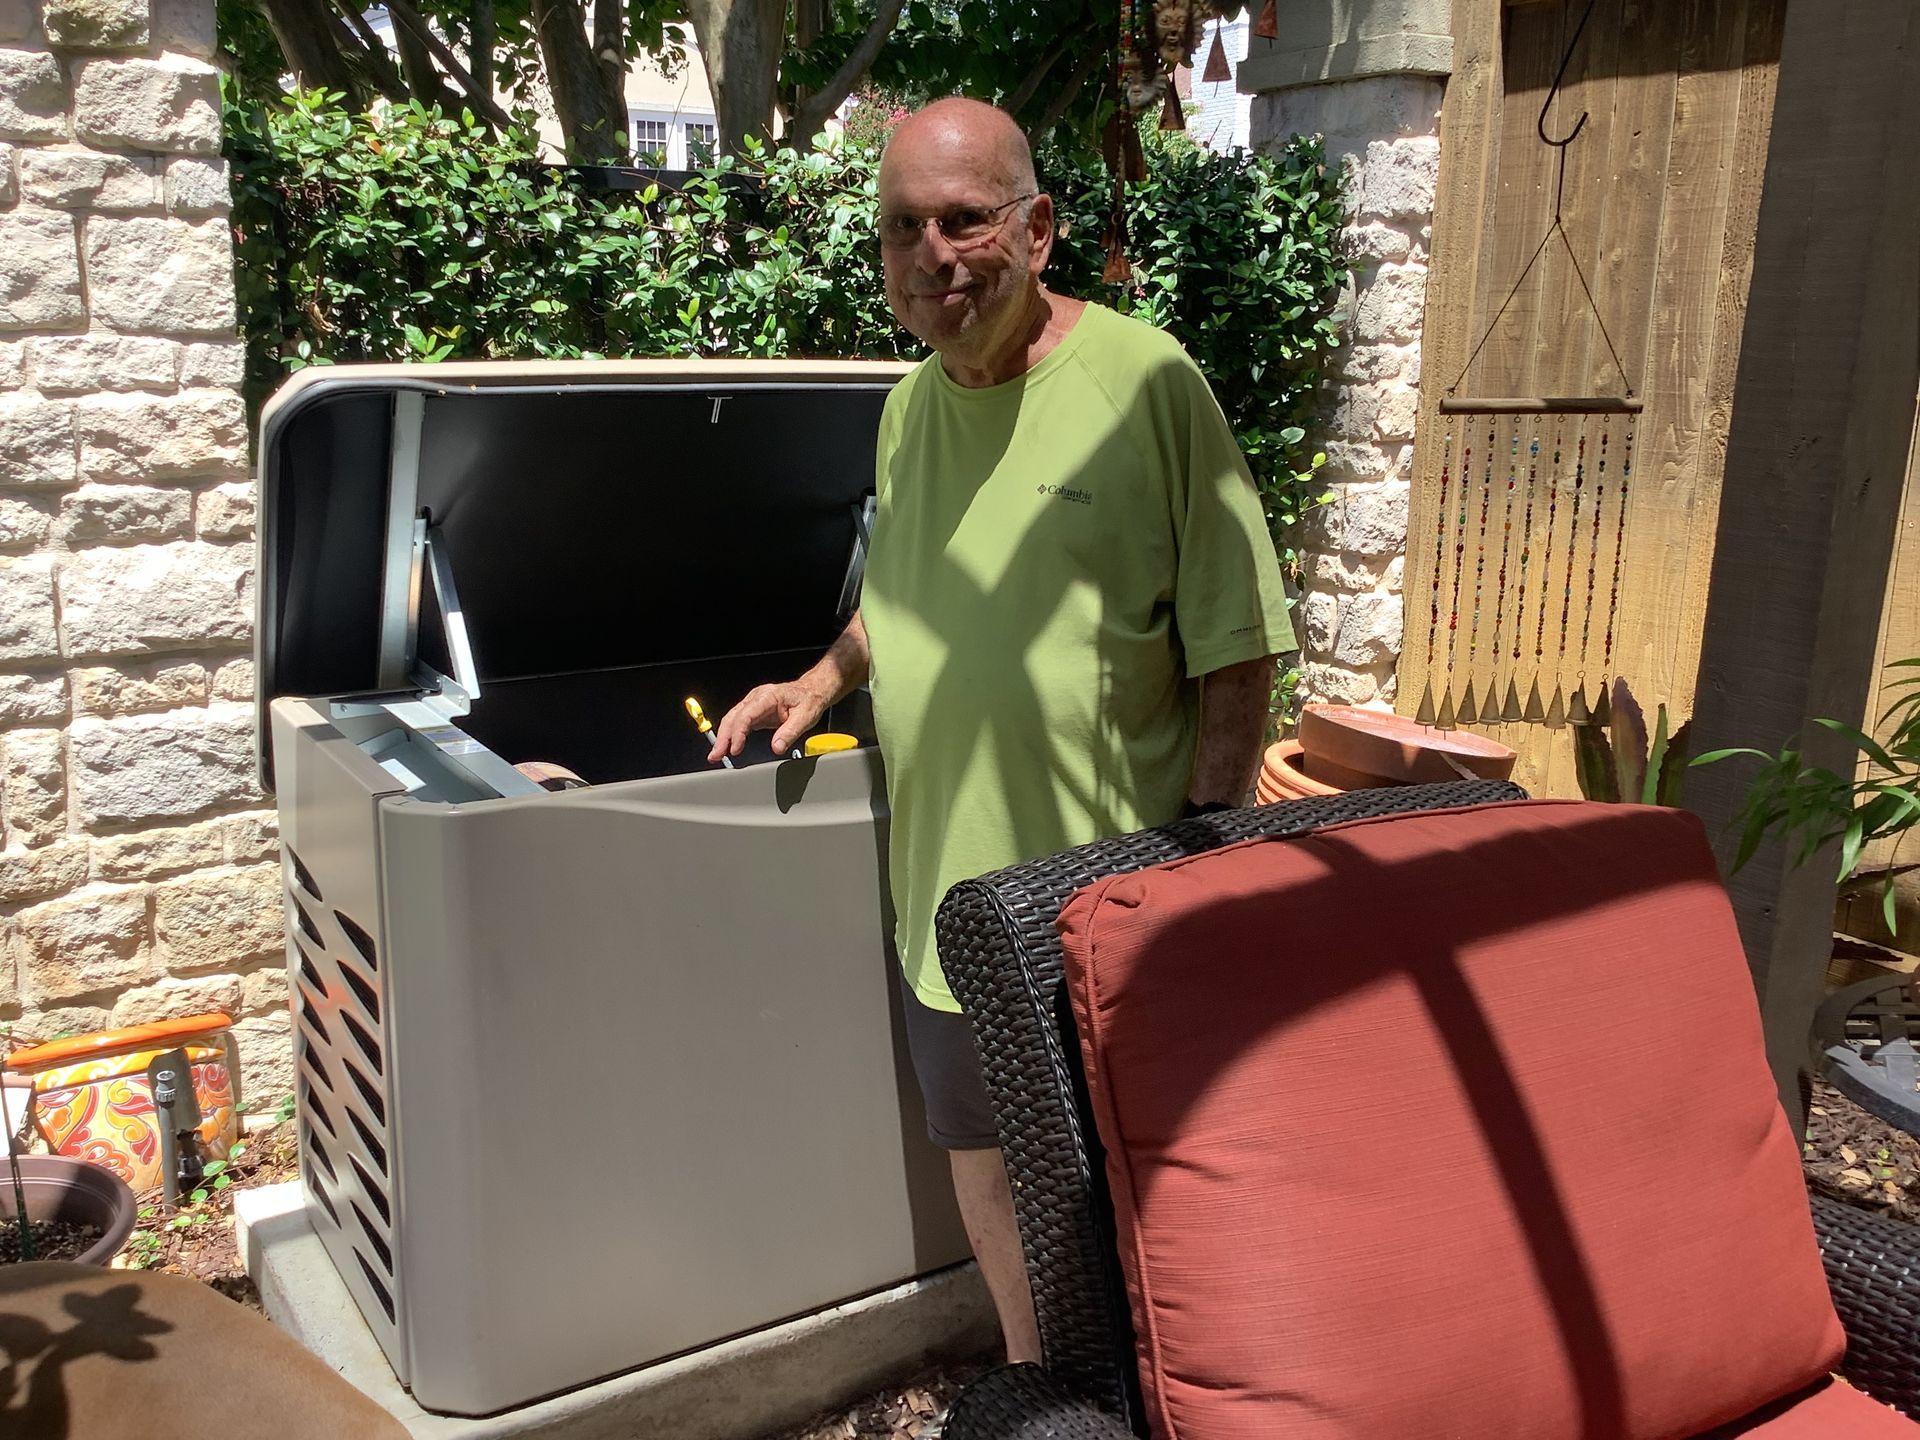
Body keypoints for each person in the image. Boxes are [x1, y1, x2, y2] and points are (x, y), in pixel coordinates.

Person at [707, 97, 1292, 1363]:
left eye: (966, 221)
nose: (935, 257)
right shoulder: (912, 407)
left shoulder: (1146, 382)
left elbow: (1240, 639)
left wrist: (1202, 842)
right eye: (903, 230)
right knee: (983, 1158)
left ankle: (1174, 1388)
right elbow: (910, 594)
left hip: (1107, 901)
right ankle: (1043, 1383)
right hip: (946, 901)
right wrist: (822, 678)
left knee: (1137, 1173)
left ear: (1037, 230)